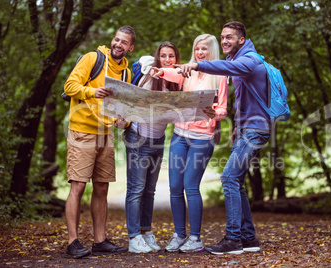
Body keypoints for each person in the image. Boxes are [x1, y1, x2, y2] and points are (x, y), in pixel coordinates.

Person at [175, 21, 271, 255]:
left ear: (241, 40)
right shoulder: (236, 61)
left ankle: (233, 239)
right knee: (236, 182)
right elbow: (243, 99)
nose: (225, 41)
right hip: (246, 128)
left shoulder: (249, 60)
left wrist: (197, 64)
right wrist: (237, 126)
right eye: (223, 37)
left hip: (256, 129)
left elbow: (222, 69)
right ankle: (248, 238)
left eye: (230, 37)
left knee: (228, 177)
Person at [63, 25, 135, 259]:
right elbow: (69, 86)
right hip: (82, 131)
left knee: (102, 186)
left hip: (106, 134)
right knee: (78, 185)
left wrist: (123, 121)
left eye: (124, 42)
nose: (118, 44)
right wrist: (93, 92)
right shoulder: (93, 58)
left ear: (130, 47)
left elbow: (122, 109)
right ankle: (72, 242)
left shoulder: (126, 74)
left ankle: (100, 241)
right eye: (116, 39)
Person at [151, 34, 228, 253]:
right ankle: (179, 235)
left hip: (202, 140)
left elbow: (223, 108)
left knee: (190, 187)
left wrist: (215, 114)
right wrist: (160, 71)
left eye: (204, 49)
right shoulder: (189, 71)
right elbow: (173, 72)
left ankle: (195, 238)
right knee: (175, 187)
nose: (199, 53)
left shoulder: (220, 75)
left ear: (211, 51)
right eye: (197, 49)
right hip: (179, 136)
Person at [114, 41, 182, 253]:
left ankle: (146, 231)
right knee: (136, 189)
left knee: (150, 191)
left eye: (171, 56)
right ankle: (134, 237)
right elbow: (130, 101)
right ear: (158, 58)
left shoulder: (176, 82)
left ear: (176, 59)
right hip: (138, 138)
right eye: (164, 56)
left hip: (158, 140)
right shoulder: (148, 75)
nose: (167, 60)